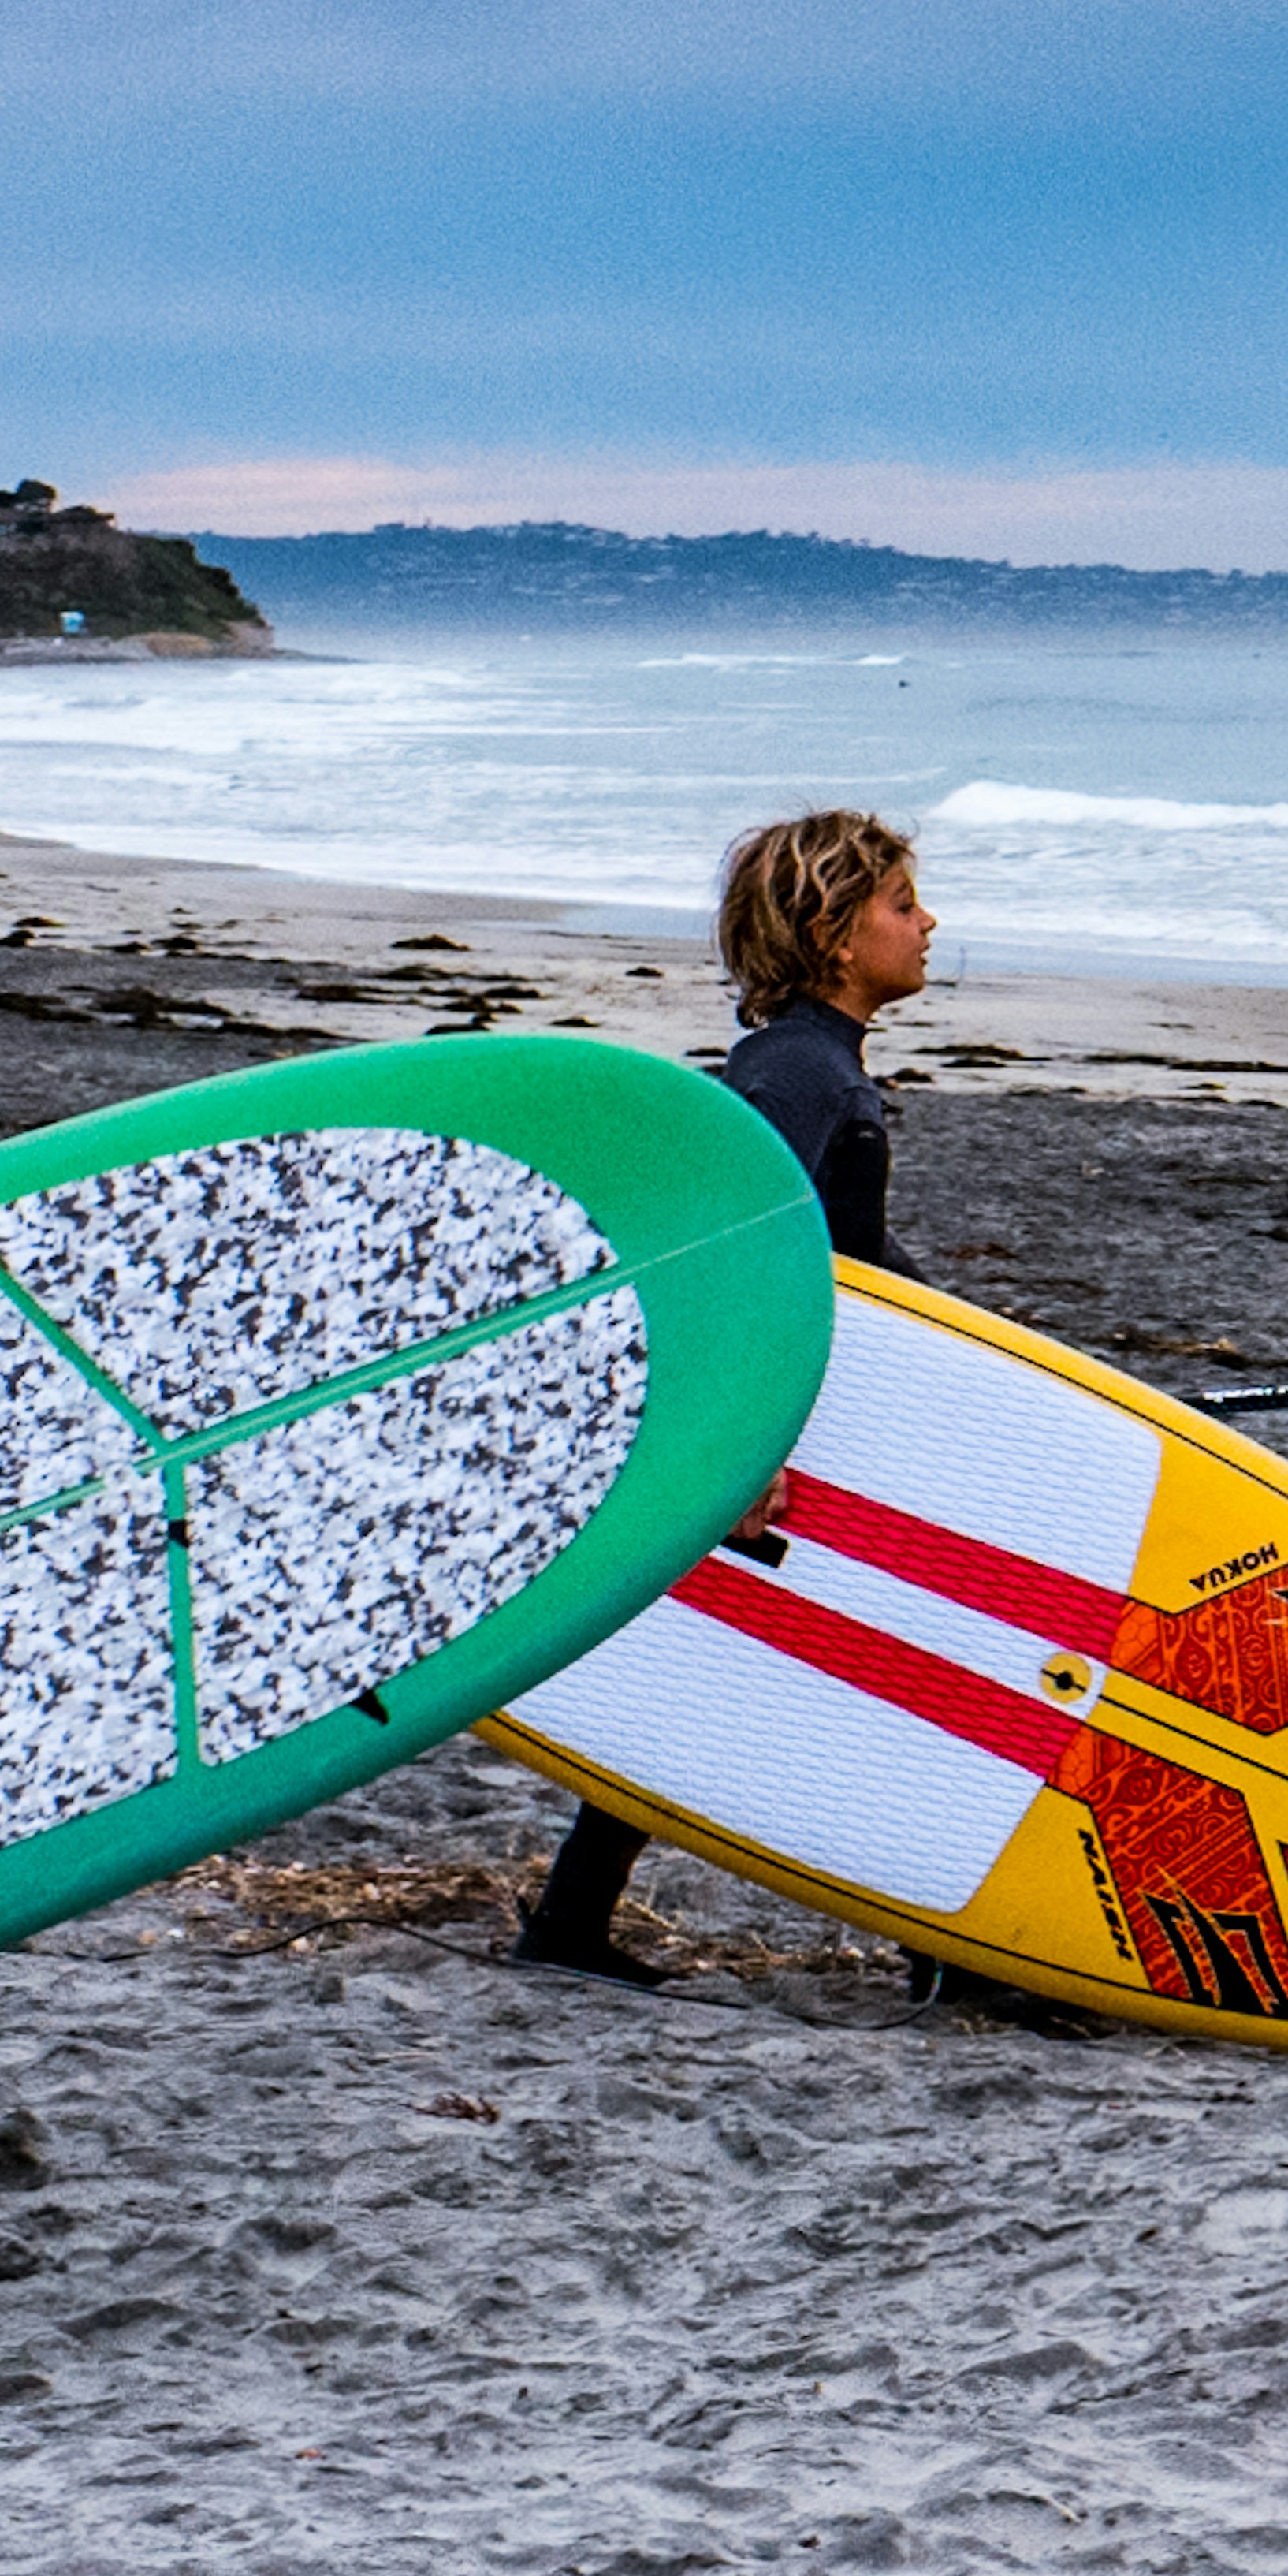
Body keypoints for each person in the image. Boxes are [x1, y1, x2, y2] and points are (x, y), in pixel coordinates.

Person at [509, 809, 933, 1986]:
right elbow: (729, 1255)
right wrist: (741, 1447)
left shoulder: (815, 1063)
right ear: (837, 935)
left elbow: (844, 1254)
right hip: (771, 1423)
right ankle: (950, 1949)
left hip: (806, 1411)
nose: (927, 923)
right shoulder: (794, 1073)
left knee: (733, 1664)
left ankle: (568, 1922)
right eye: (902, 904)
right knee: (853, 1666)